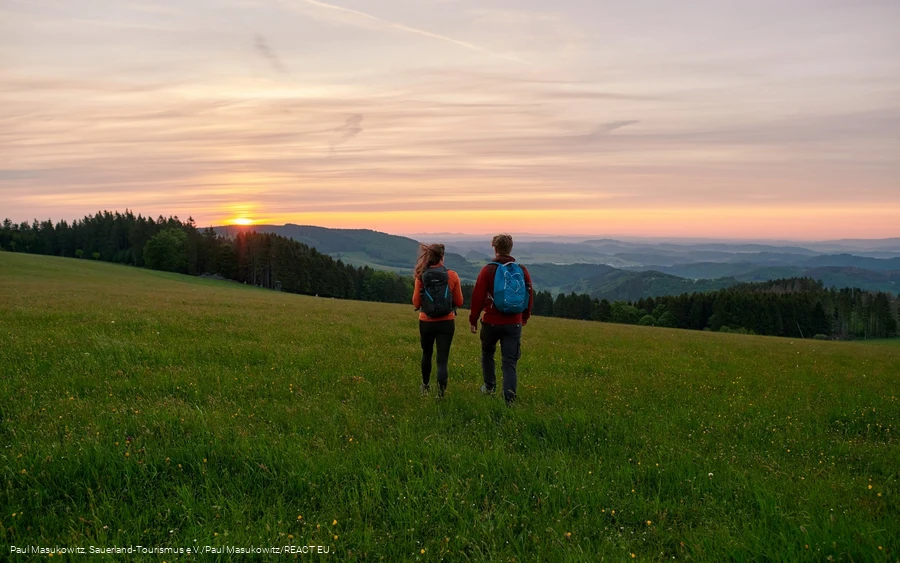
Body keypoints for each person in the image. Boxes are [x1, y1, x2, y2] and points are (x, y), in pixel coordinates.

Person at [469, 234, 533, 405]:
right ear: (510, 248)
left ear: (495, 248)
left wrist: (473, 320)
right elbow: (528, 295)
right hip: (514, 322)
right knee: (510, 362)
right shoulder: (522, 270)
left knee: (487, 353)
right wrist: (524, 317)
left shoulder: (488, 270)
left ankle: (489, 387)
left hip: (490, 321)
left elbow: (477, 297)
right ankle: (509, 398)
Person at [412, 243, 464, 397]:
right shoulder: (452, 275)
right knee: (442, 360)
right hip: (446, 322)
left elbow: (416, 302)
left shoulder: (421, 275)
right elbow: (460, 302)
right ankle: (441, 394)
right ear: (443, 256)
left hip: (426, 321)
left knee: (426, 354)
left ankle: (425, 386)